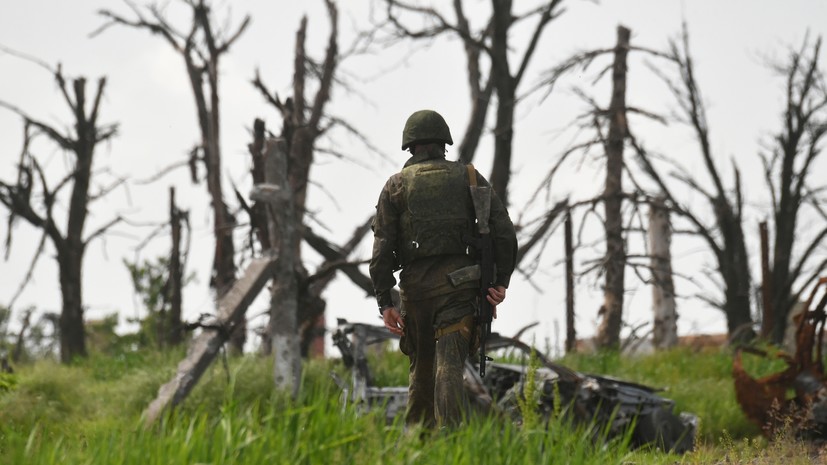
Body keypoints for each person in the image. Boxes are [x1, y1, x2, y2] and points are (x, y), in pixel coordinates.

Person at [369, 109, 518, 428]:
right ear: (444, 144)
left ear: (410, 148)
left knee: (421, 376)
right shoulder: (471, 178)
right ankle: (452, 444)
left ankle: (419, 448)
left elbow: (381, 248)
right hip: (460, 292)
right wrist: (500, 282)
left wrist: (385, 302)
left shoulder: (396, 185)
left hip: (416, 295)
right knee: (449, 368)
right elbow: (504, 232)